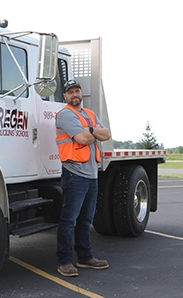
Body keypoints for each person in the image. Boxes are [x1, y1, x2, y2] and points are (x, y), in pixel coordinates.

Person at [54, 79, 111, 277]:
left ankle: (85, 257)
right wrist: (93, 132)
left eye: (77, 91)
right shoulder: (65, 115)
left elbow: (107, 134)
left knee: (86, 219)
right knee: (69, 219)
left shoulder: (90, 115)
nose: (75, 95)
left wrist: (91, 131)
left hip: (91, 173)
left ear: (81, 93)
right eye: (70, 92)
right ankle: (64, 261)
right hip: (74, 173)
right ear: (65, 97)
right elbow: (83, 139)